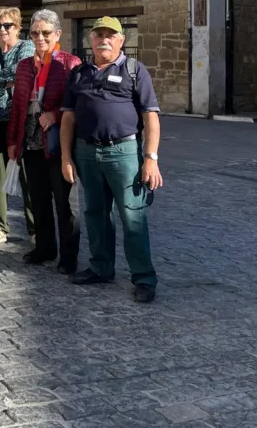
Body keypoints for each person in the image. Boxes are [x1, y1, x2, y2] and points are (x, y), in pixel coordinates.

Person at [60, 16, 163, 303]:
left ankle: (143, 278)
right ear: (90, 39)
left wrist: (150, 158)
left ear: (121, 40)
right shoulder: (79, 74)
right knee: (95, 213)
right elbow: (68, 118)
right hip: (86, 152)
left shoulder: (134, 70)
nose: (104, 39)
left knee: (133, 215)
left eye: (111, 35)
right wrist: (66, 157)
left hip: (124, 153)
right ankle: (101, 267)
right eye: (98, 34)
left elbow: (150, 117)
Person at [6, 9, 82, 272]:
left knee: (65, 203)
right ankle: (45, 247)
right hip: (31, 142)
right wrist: (13, 141)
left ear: (57, 34)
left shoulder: (70, 63)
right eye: (35, 32)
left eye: (45, 33)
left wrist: (54, 114)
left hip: (58, 144)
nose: (39, 37)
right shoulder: (25, 66)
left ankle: (69, 256)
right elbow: (17, 106)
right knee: (38, 199)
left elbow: (78, 105)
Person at [0, 6, 34, 247]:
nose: (2, 30)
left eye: (7, 25)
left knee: (27, 176)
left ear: (18, 27)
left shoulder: (26, 47)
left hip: (20, 120)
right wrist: (5, 80)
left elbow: (22, 71)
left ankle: (35, 227)